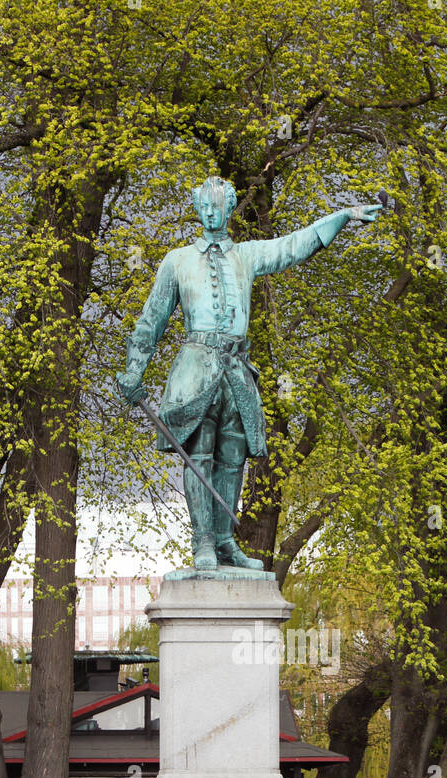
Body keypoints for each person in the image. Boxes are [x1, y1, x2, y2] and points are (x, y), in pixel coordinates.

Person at [116, 173, 381, 570]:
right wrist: (134, 370)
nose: (210, 214)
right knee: (199, 454)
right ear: (196, 208)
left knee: (234, 455)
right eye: (203, 206)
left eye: (217, 206)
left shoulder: (248, 255)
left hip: (237, 369)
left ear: (228, 209)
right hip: (195, 368)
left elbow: (293, 246)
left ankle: (225, 542)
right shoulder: (177, 261)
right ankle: (203, 541)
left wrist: (341, 216)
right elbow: (150, 321)